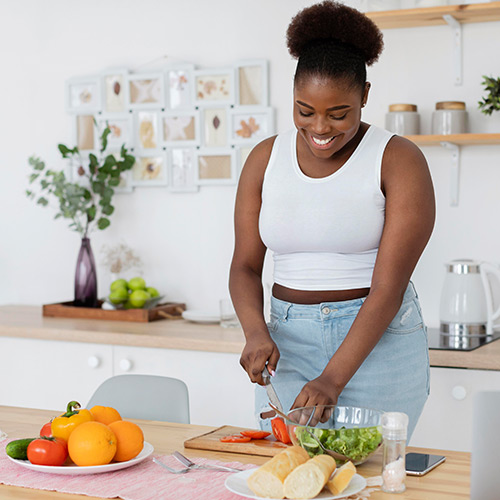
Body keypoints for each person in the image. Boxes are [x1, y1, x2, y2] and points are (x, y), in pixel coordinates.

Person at [229, 0, 435, 440]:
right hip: (287, 343)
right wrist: (254, 333)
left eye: (338, 113)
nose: (320, 128)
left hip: (379, 343)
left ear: (364, 95)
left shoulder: (398, 160)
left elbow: (389, 288)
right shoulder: (265, 159)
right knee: (293, 478)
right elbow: (245, 266)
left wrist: (333, 379)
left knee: (376, 478)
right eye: (305, 110)